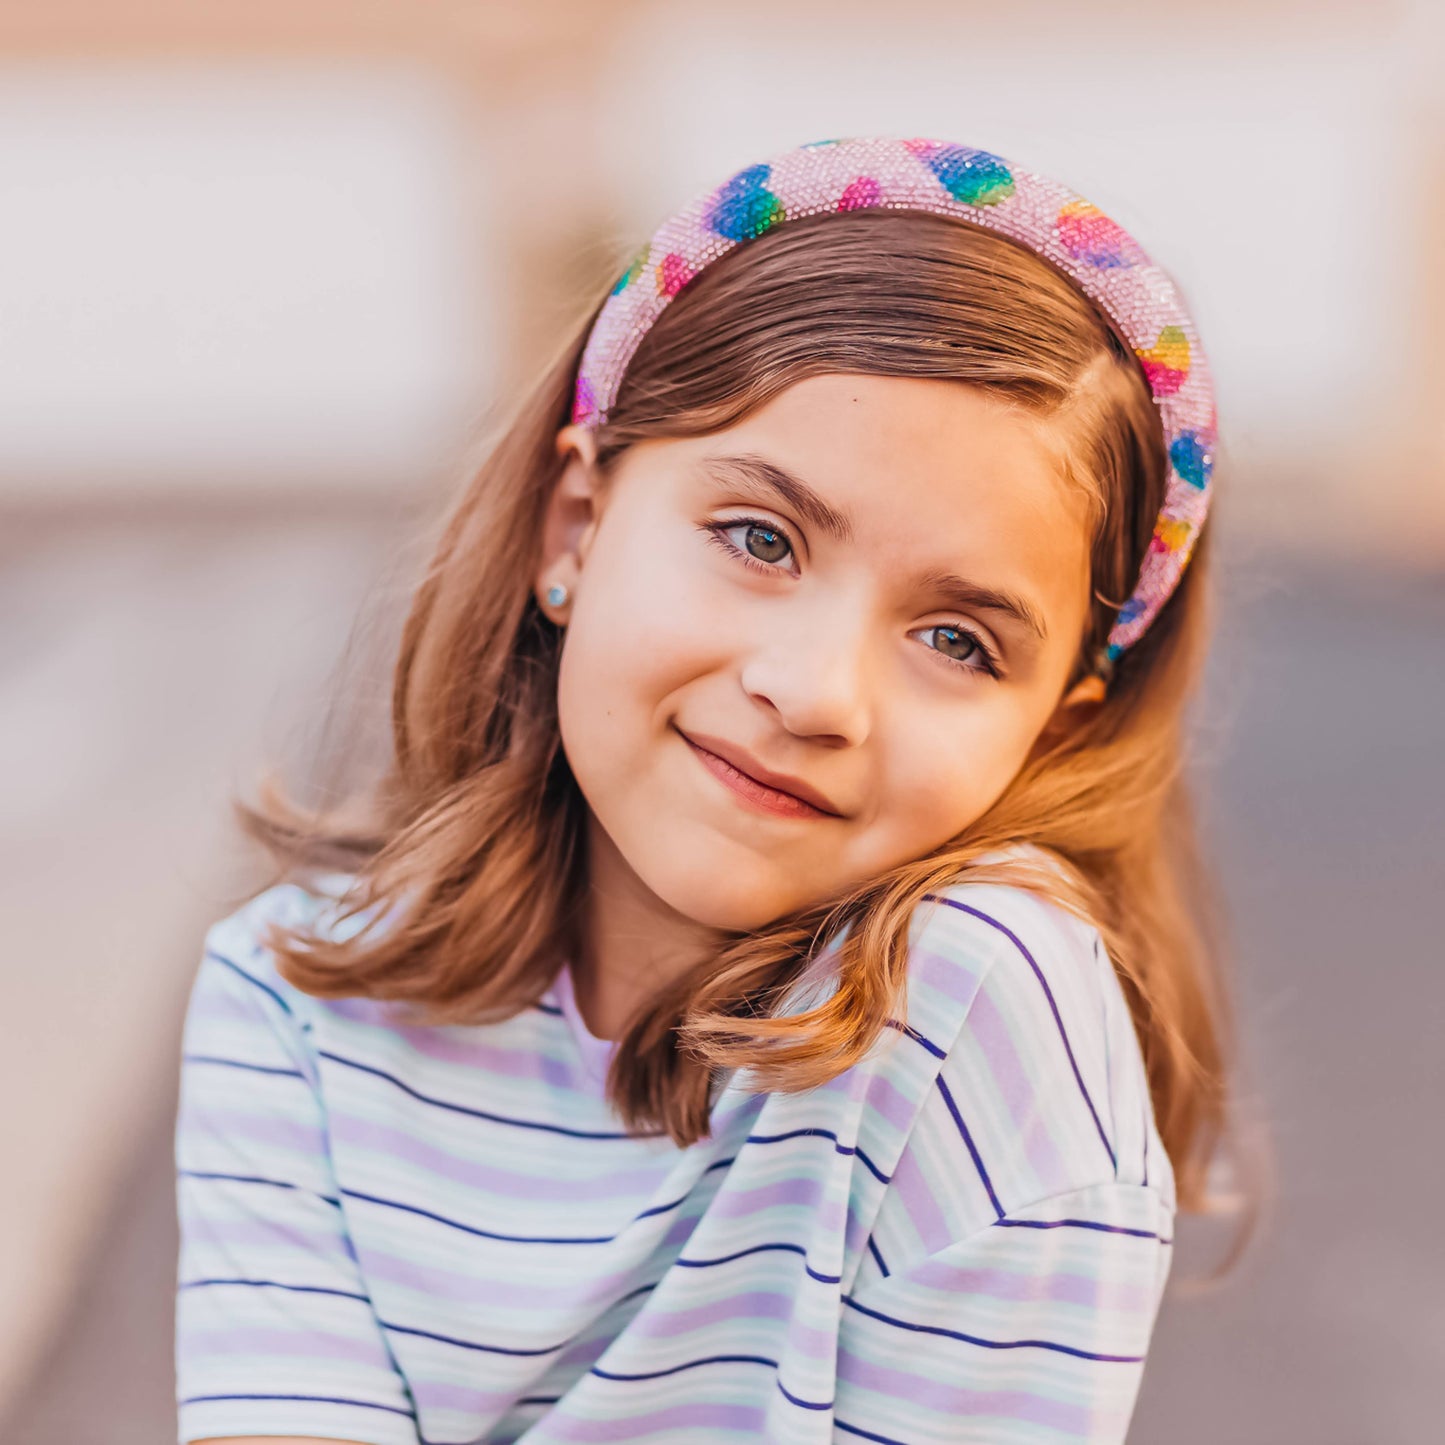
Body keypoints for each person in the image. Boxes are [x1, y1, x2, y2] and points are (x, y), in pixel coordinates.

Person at [174, 136, 1248, 1445]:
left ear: (1044, 730)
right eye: (760, 539)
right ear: (573, 528)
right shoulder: (288, 997)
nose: (814, 693)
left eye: (956, 639)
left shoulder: (979, 998)